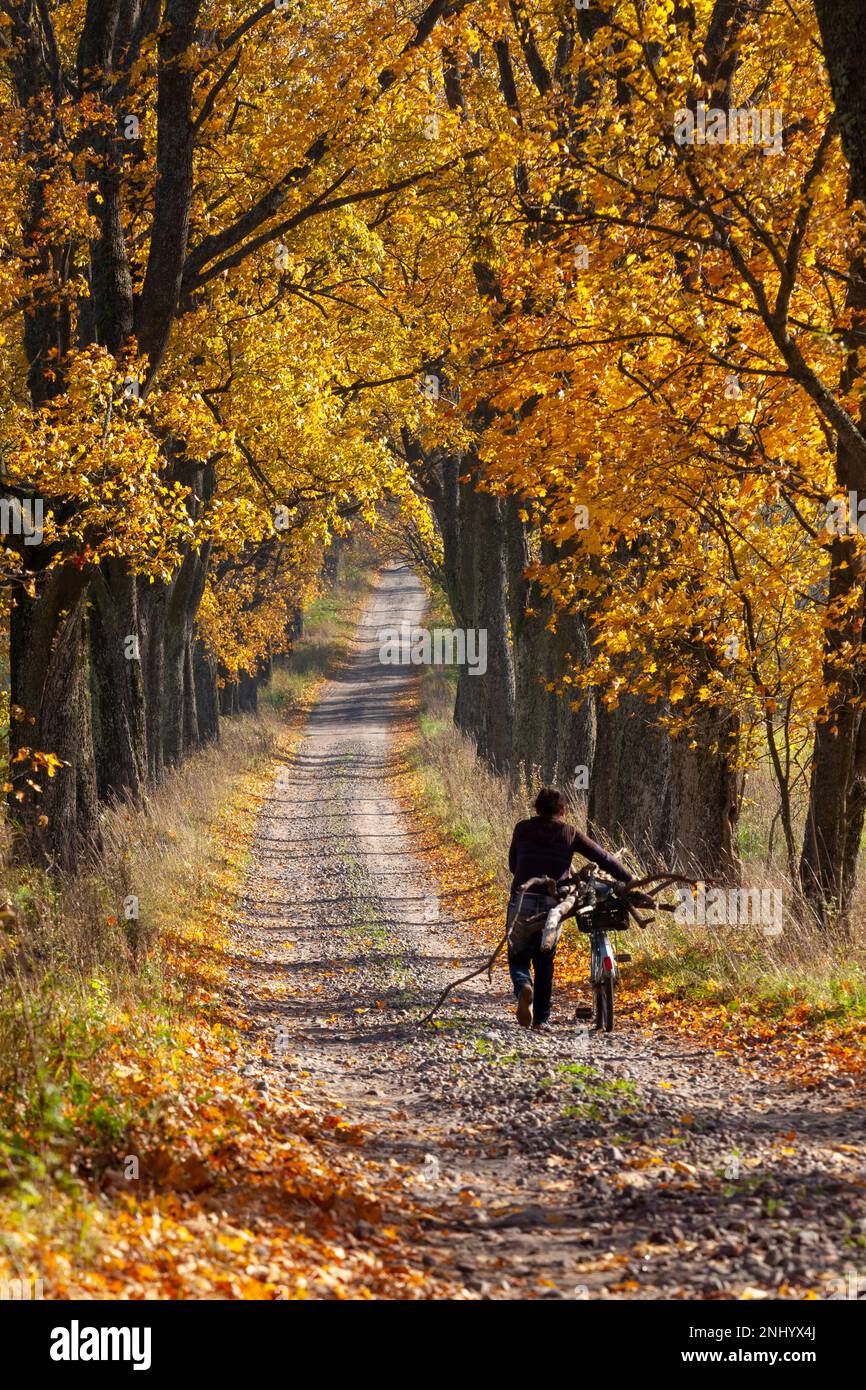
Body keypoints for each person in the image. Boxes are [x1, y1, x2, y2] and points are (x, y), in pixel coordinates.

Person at [507, 787, 633, 1031]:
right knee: (545, 960)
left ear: (536, 809)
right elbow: (604, 857)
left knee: (518, 955)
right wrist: (628, 879)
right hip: (554, 903)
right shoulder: (569, 833)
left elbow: (513, 865)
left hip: (522, 899)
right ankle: (541, 1019)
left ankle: (524, 987)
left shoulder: (522, 828)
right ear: (563, 811)